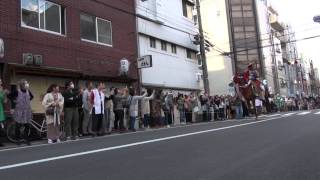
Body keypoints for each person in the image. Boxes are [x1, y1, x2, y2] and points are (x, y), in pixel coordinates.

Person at [9, 79, 33, 145]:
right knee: (18, 125)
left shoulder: (28, 91)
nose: (27, 84)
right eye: (26, 83)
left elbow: (32, 97)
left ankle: (26, 139)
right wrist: (14, 102)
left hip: (27, 111)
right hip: (19, 111)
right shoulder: (17, 91)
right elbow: (9, 96)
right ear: (22, 85)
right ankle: (17, 140)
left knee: (27, 125)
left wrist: (26, 102)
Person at [0, 79, 8, 147]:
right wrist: (3, 92)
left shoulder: (1, 89)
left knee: (1, 127)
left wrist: (4, 94)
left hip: (0, 110)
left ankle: (0, 142)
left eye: (1, 81)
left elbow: (4, 101)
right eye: (0, 81)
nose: (1, 82)